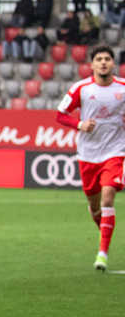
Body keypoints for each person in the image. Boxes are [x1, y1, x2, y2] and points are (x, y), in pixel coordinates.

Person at [55, 45, 125, 271]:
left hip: (115, 151)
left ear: (113, 64)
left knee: (107, 198)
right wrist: (79, 124)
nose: (103, 62)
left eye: (107, 59)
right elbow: (60, 115)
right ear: (92, 64)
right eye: (99, 59)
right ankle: (104, 233)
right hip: (88, 154)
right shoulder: (81, 88)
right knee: (94, 205)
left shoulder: (123, 88)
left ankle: (102, 252)